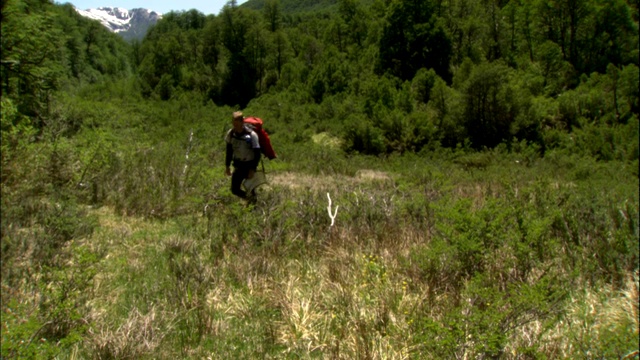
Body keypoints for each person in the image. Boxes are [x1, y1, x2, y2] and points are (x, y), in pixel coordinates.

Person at [225, 111, 261, 202]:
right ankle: (251, 200)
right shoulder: (231, 133)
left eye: (237, 123)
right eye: (234, 123)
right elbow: (229, 151)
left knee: (250, 188)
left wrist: (253, 169)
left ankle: (254, 206)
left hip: (249, 165)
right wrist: (227, 166)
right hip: (238, 165)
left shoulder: (252, 135)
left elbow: (257, 153)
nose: (235, 125)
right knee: (234, 190)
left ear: (242, 122)